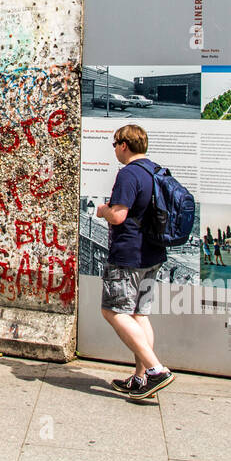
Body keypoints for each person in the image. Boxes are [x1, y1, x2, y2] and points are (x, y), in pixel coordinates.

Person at [95, 123, 174, 400]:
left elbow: (118, 215)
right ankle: (140, 380)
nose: (115, 149)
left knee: (113, 311)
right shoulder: (155, 170)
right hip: (153, 254)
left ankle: (155, 370)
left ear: (124, 145)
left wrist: (104, 209)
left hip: (129, 254)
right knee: (140, 315)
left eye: (115, 144)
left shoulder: (129, 174)